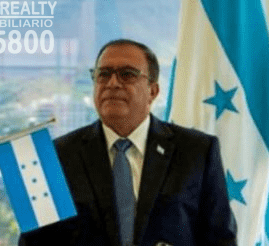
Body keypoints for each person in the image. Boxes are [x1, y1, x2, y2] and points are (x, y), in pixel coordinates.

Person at [20, 39, 236, 246]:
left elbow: (220, 240)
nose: (112, 83)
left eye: (127, 74)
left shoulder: (197, 151)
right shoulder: (54, 157)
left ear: (153, 91)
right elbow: (35, 242)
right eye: (103, 74)